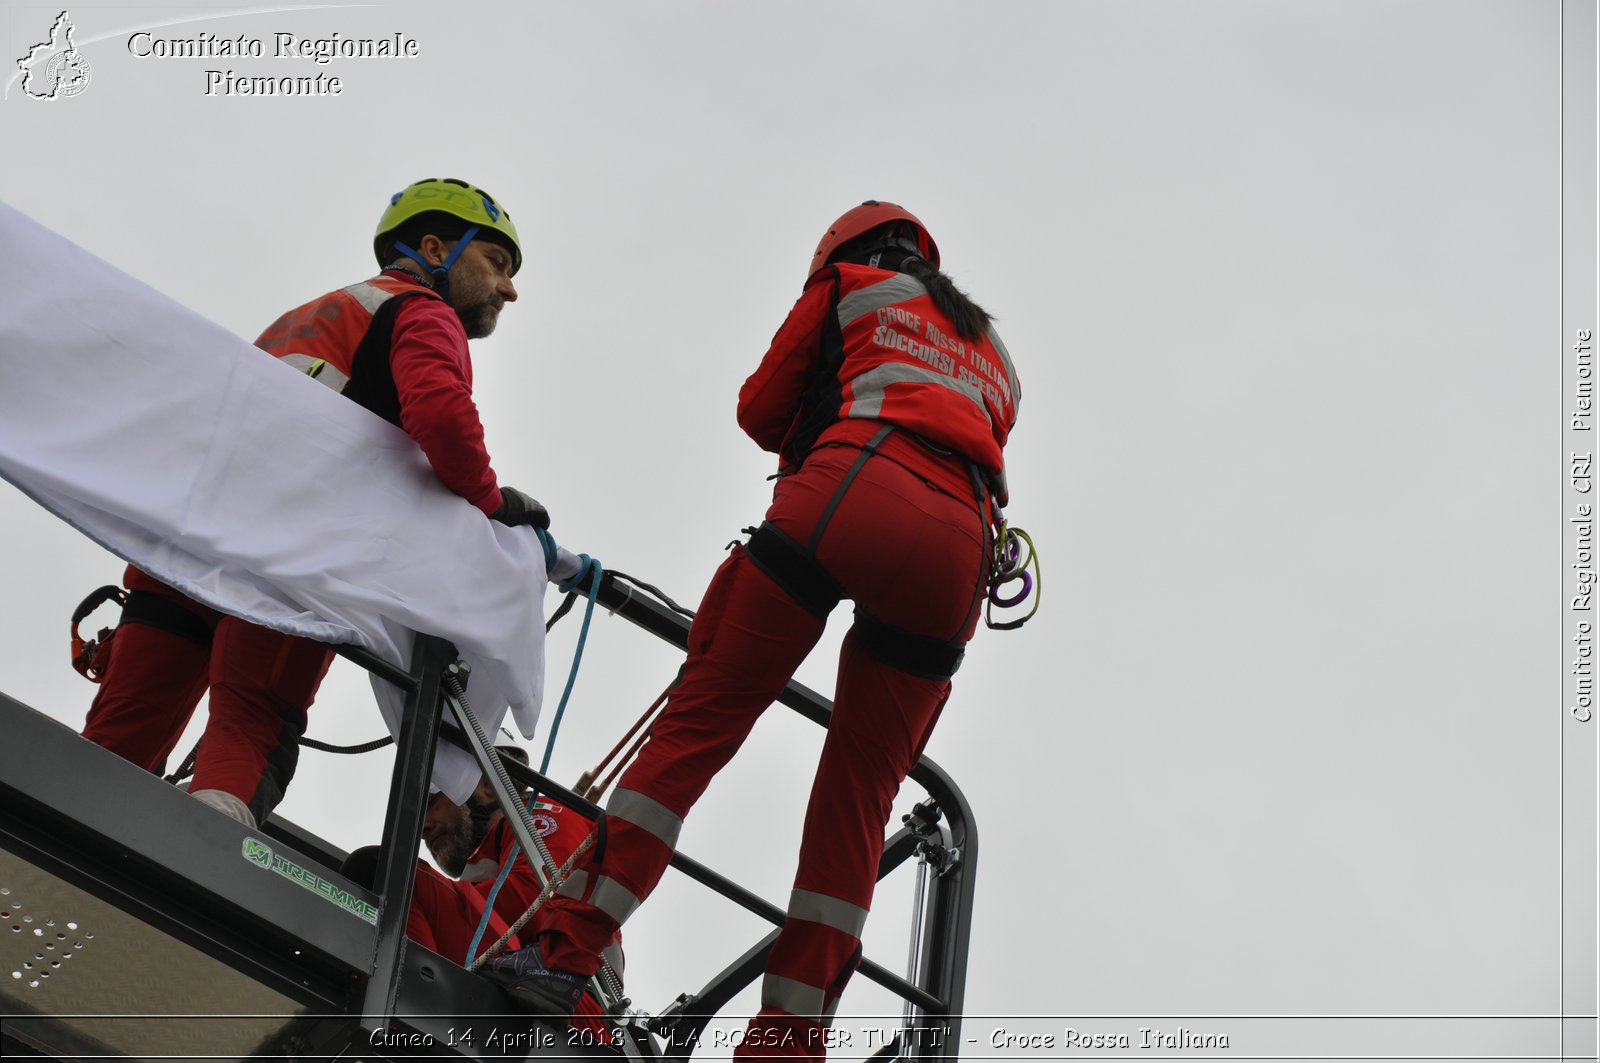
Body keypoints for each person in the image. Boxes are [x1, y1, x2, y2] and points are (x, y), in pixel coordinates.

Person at [487, 201, 1020, 1059]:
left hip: (849, 492)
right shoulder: (998, 357)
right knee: (858, 804)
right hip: (959, 557)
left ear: (837, 255)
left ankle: (562, 952)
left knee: (698, 728)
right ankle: (790, 1041)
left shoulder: (848, 286)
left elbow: (761, 410)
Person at [80, 178, 551, 829]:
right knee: (254, 717)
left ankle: (41, 857)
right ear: (436, 247)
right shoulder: (420, 311)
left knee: (116, 741)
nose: (508, 288)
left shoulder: (314, 315)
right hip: (291, 552)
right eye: (495, 263)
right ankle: (197, 869)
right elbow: (442, 418)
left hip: (186, 540)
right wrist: (491, 502)